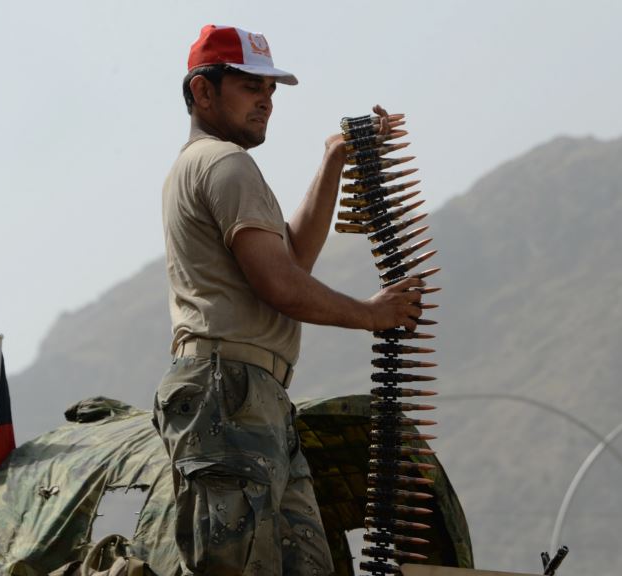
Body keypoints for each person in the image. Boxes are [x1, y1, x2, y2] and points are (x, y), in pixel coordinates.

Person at [153, 25, 424, 575]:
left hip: (251, 396)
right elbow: (280, 285)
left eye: (271, 89)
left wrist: (334, 159)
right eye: (250, 86)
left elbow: (291, 260)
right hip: (226, 393)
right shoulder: (224, 163)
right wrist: (372, 315)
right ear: (203, 92)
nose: (267, 101)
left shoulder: (211, 166)